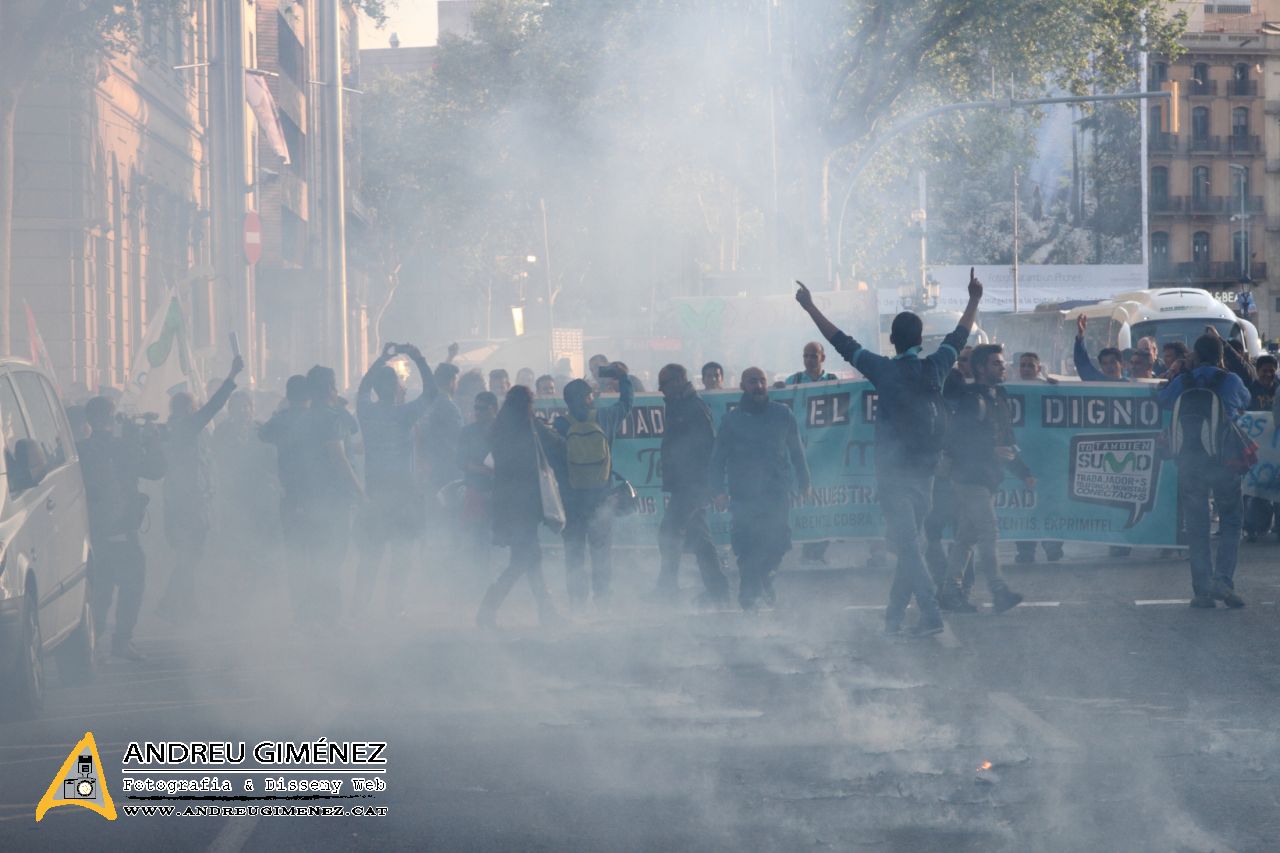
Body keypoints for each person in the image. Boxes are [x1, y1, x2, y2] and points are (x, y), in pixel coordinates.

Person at [796, 270, 983, 636]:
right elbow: (959, 337)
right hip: (927, 473)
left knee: (910, 547)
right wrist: (974, 298)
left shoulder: (884, 370)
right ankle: (894, 617)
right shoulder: (936, 366)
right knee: (910, 543)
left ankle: (930, 616)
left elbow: (842, 342)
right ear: (919, 338)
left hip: (895, 475)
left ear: (893, 340)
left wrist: (810, 307)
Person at [261, 367, 363, 625]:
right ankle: (326, 615)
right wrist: (360, 492)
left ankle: (304, 614)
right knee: (329, 557)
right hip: (325, 500)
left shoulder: (290, 419)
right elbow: (340, 456)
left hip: (297, 499)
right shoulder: (327, 418)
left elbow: (264, 435)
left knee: (301, 557)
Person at [1158, 334, 1251, 608]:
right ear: (1220, 355)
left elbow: (1162, 399)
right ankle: (1223, 582)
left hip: (1190, 460)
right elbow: (1245, 401)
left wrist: (1177, 370)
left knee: (1197, 526)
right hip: (1224, 460)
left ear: (1195, 355)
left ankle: (1202, 590)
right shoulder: (1230, 380)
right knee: (1231, 521)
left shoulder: (1184, 381)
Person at [935, 344, 1030, 613]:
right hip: (969, 478)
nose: (1002, 367)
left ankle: (950, 593)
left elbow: (1007, 440)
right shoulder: (970, 399)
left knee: (966, 538)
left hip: (988, 478)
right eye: (996, 363)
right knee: (988, 532)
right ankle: (998, 590)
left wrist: (1024, 472)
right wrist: (991, 450)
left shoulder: (998, 396)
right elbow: (958, 440)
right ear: (980, 368)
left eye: (1001, 363)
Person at [710, 367, 810, 611]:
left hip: (776, 492)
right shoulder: (732, 420)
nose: (758, 385)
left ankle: (765, 578)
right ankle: (748, 596)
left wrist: (805, 482)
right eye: (752, 381)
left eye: (762, 381)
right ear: (743, 386)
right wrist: (718, 490)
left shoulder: (782, 414)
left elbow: (797, 452)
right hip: (743, 493)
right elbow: (717, 458)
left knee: (778, 543)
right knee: (746, 545)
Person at [80, 396, 166, 660]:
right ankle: (120, 641)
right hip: (121, 532)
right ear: (110, 418)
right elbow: (155, 469)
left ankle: (92, 644)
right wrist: (150, 439)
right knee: (131, 586)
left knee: (101, 589)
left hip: (92, 533)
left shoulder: (79, 450)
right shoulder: (122, 448)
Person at [354, 343, 437, 615]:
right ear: (396, 389)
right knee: (401, 552)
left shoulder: (367, 412)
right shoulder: (404, 414)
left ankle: (360, 607)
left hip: (376, 491)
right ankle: (393, 606)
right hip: (402, 493)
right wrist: (418, 357)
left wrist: (382, 359)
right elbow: (432, 392)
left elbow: (362, 389)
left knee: (371, 554)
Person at [157, 356, 243, 617]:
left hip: (188, 500)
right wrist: (231, 378)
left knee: (190, 556)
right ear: (189, 410)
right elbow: (213, 408)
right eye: (195, 407)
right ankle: (170, 604)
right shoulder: (184, 428)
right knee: (190, 556)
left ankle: (186, 607)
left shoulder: (176, 429)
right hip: (189, 503)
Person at [476, 385, 564, 628]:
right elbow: (558, 445)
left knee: (529, 559)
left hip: (506, 503)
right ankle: (488, 609)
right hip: (525, 505)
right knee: (523, 561)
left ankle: (547, 613)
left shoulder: (498, 430)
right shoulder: (531, 427)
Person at [554, 363, 633, 611]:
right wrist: (623, 378)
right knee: (601, 552)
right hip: (600, 497)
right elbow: (626, 403)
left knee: (574, 552)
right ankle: (603, 601)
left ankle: (577, 602)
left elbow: (557, 464)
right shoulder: (604, 417)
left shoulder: (560, 425)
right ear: (588, 399)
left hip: (571, 498)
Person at [653, 364, 729, 607]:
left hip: (692, 485)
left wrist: (706, 487)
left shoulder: (693, 407)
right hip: (684, 484)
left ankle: (667, 590)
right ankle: (718, 591)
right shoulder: (678, 404)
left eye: (664, 384)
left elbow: (708, 448)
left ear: (677, 381)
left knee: (668, 532)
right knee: (700, 539)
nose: (661, 390)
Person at [211, 389, 279, 572]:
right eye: (239, 407)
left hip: (260, 494)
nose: (244, 411)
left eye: (247, 406)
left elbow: (272, 458)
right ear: (231, 410)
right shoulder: (222, 432)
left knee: (260, 538)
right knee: (236, 539)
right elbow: (217, 460)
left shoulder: (262, 429)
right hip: (234, 494)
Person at [785, 342, 838, 565]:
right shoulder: (793, 382)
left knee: (825, 498)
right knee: (805, 497)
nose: (809, 360)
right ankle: (808, 548)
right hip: (802, 449)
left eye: (813, 356)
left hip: (826, 452)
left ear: (822, 357)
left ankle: (819, 548)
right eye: (806, 355)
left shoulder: (834, 381)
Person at [1012, 352, 1063, 564]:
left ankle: (1052, 544)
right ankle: (1026, 549)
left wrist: (1057, 388)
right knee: (1022, 505)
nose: (1025, 369)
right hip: (1021, 458)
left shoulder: (1048, 389)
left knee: (1048, 502)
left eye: (1030, 366)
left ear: (1038, 368)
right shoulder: (1010, 389)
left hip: (1046, 457)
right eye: (1022, 365)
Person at [458, 392, 499, 569]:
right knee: (479, 537)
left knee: (502, 538)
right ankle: (480, 576)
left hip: (501, 493)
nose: (478, 412)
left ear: (494, 409)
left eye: (483, 408)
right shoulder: (467, 432)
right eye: (476, 408)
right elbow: (461, 462)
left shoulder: (504, 432)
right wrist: (484, 470)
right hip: (477, 492)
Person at [1073, 315, 1125, 381]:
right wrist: (1080, 334)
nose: (1109, 367)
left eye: (1112, 362)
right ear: (1101, 366)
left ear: (1121, 364)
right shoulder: (1097, 381)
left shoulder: (1131, 385)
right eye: (1105, 363)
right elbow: (1082, 363)